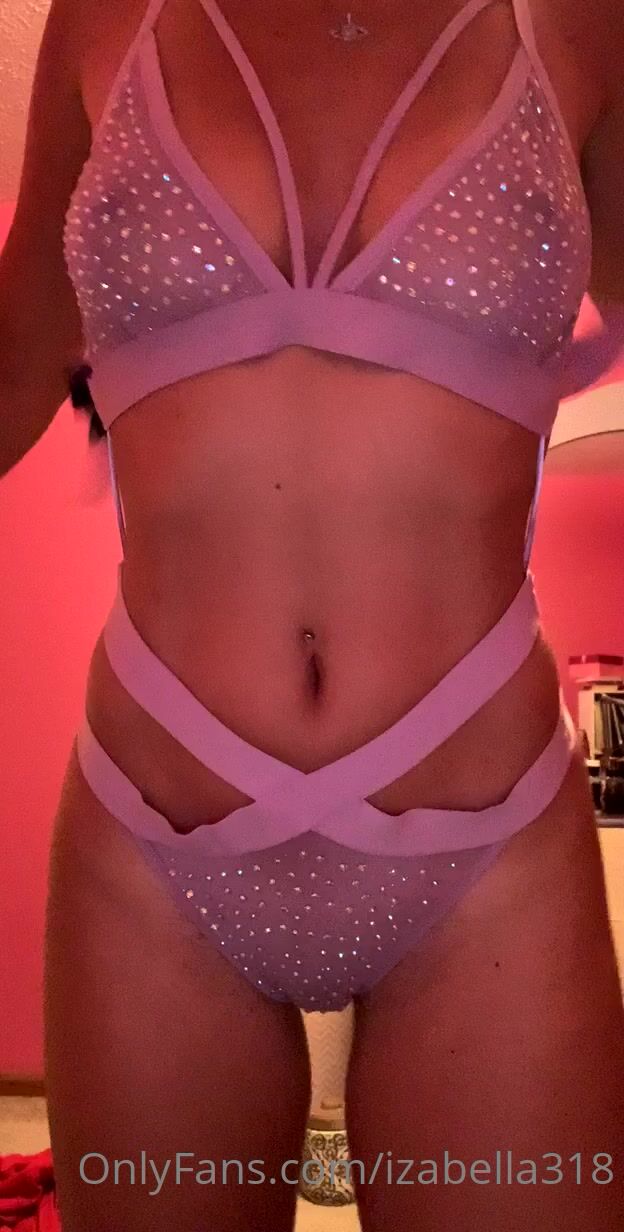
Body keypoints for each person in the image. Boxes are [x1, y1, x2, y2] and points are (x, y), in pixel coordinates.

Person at [1, 0, 623, 1227]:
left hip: (486, 843)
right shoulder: (104, 18)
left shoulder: (578, 20)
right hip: (154, 838)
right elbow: (17, 358)